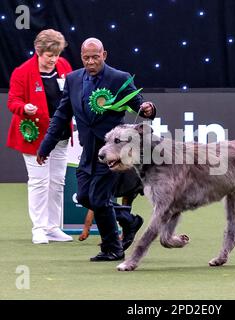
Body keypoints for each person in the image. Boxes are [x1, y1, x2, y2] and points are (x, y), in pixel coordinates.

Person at [37, 38, 156, 261]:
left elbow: (137, 103)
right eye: (86, 57)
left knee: (99, 198)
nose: (91, 61)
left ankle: (112, 249)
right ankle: (129, 221)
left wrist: (147, 109)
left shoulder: (119, 78)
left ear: (104, 55)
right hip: (88, 151)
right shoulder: (72, 79)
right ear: (81, 57)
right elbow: (62, 115)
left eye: (95, 57)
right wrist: (46, 145)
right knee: (83, 197)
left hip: (112, 153)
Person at [7, 29, 73, 244]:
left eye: (57, 54)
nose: (54, 59)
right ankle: (39, 228)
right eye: (49, 55)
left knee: (57, 182)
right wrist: (24, 107)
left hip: (61, 135)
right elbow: (12, 101)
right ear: (38, 51)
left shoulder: (64, 66)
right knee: (39, 182)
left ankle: (53, 227)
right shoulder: (22, 72)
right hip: (35, 136)